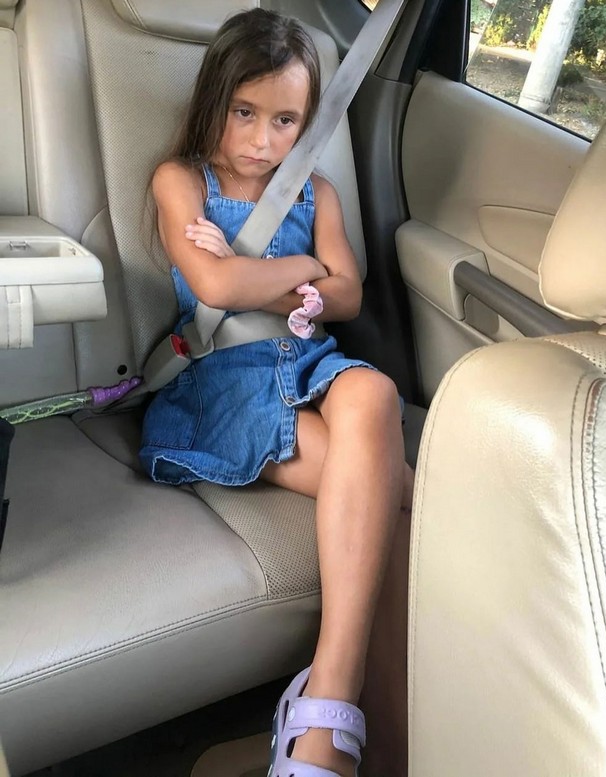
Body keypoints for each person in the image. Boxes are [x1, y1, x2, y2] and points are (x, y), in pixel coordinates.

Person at [139, 9, 413, 777]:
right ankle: (363, 735)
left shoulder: (316, 194)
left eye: (284, 120)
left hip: (310, 361)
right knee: (399, 501)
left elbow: (348, 294)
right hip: (226, 380)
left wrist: (278, 275)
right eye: (244, 113)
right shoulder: (181, 180)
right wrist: (305, 274)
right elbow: (217, 285)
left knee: (372, 392)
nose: (262, 140)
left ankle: (328, 701)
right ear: (214, 101)